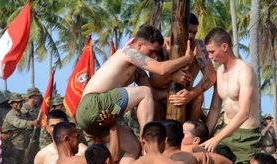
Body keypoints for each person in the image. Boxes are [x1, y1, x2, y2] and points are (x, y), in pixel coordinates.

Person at [76, 24, 195, 156]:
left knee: (134, 148)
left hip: (95, 120)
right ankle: (149, 145)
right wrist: (186, 59)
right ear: (139, 45)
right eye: (152, 51)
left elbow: (154, 95)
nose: (154, 56)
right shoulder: (128, 53)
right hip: (92, 103)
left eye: (156, 52)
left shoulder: (137, 71)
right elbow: (161, 69)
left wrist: (182, 93)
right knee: (144, 92)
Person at [202, 27, 261, 164]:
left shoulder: (245, 71)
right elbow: (214, 109)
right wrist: (206, 135)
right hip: (225, 133)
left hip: (247, 138)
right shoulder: (219, 72)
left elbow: (243, 113)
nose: (211, 57)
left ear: (225, 47)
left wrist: (216, 138)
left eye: (213, 52)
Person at [164, 13, 217, 121]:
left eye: (194, 32)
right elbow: (153, 80)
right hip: (164, 95)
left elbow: (211, 76)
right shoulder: (164, 45)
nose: (191, 36)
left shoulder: (198, 46)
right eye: (189, 31)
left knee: (199, 96)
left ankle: (192, 132)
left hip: (187, 94)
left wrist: (191, 95)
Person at [54, 113, 119, 164]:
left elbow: (100, 157)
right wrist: (113, 126)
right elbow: (112, 159)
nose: (79, 141)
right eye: (77, 137)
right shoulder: (73, 163)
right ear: (67, 139)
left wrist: (96, 138)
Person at [2, 93, 38, 164]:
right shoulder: (10, 115)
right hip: (13, 147)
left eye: (20, 102)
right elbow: (19, 123)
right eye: (16, 102)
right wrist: (31, 123)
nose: (19, 104)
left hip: (21, 146)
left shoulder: (21, 114)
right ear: (11, 104)